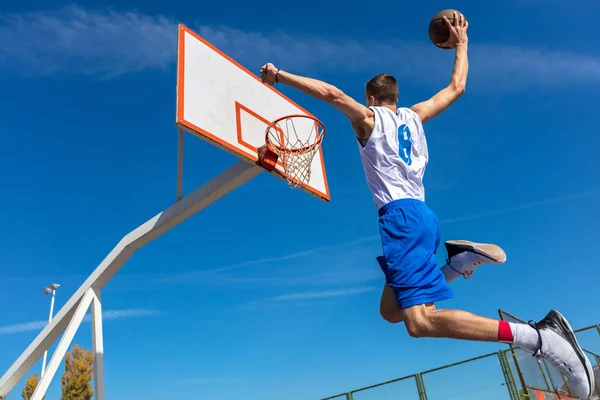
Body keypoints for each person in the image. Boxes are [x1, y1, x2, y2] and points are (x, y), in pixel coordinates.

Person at [259, 11, 595, 399]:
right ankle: (458, 263)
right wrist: (463, 43)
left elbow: (334, 95)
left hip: (400, 218)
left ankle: (541, 338)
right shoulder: (415, 117)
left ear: (371, 98)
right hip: (422, 216)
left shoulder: (368, 120)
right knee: (390, 311)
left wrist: (280, 75)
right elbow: (456, 87)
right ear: (395, 98)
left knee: (419, 322)